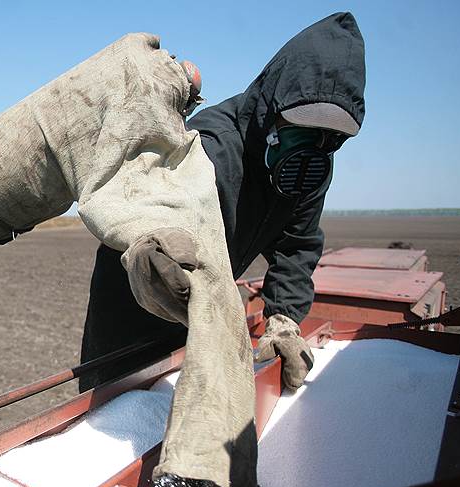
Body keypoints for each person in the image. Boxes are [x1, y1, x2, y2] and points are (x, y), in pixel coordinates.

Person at [80, 12, 366, 395]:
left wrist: (284, 316)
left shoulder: (312, 165)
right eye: (303, 129)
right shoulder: (210, 151)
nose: (315, 147)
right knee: (118, 409)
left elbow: (297, 246)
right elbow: (139, 221)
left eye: (331, 137)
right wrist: (152, 265)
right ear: (272, 111)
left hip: (199, 309)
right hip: (138, 302)